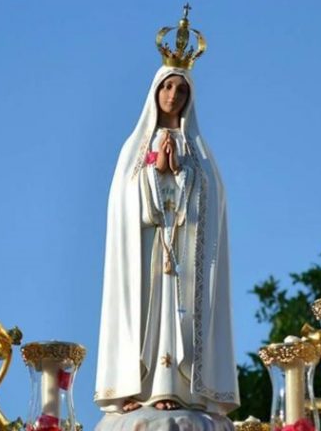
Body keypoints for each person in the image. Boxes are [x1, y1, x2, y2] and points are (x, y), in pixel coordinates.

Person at [94, 56, 240, 416]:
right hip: (146, 251)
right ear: (156, 91)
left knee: (181, 310)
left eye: (182, 89)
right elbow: (123, 205)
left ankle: (176, 386)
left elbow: (211, 202)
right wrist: (153, 175)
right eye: (168, 86)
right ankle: (136, 385)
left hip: (184, 253)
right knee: (146, 310)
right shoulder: (135, 148)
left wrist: (182, 174)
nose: (173, 95)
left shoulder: (199, 151)